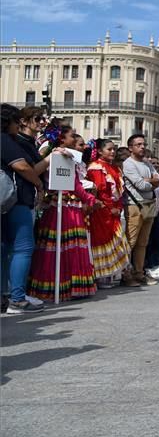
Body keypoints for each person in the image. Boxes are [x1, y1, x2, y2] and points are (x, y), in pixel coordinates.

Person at [28, 127, 98, 301]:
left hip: (67, 205)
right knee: (64, 246)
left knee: (66, 246)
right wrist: (90, 198)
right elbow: (73, 184)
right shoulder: (59, 155)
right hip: (62, 206)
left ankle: (66, 287)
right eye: (72, 136)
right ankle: (60, 287)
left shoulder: (67, 156)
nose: (75, 138)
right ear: (61, 140)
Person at [2, 107, 58, 313]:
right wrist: (39, 185)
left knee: (5, 249)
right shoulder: (8, 140)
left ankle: (5, 297)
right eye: (16, 122)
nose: (42, 122)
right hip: (16, 200)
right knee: (22, 248)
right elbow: (24, 167)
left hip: (8, 201)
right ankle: (16, 298)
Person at [86, 139, 130, 288]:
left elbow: (117, 193)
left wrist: (118, 207)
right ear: (99, 151)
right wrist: (109, 208)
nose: (112, 152)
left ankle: (109, 274)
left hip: (114, 212)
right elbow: (98, 192)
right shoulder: (96, 168)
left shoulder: (114, 168)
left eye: (114, 149)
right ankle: (100, 276)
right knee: (102, 241)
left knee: (116, 241)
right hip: (101, 212)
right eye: (109, 149)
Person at [121, 134, 159, 287]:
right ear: (131, 148)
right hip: (134, 205)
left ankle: (139, 273)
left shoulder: (147, 164)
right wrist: (152, 181)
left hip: (149, 204)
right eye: (138, 144)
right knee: (131, 241)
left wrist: (150, 181)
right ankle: (126, 274)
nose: (143, 147)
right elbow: (141, 185)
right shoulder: (128, 164)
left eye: (143, 144)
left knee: (143, 243)